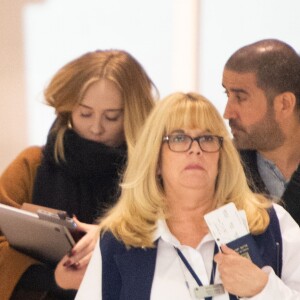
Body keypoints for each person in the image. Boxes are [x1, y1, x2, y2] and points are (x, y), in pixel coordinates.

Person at [71, 92, 300, 299]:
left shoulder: (272, 226)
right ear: (156, 160)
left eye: (207, 138)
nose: (195, 149)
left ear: (221, 157)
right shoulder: (119, 241)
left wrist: (263, 289)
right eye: (179, 138)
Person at [0, 49, 156, 300]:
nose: (96, 127)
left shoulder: (154, 174)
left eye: (111, 117)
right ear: (68, 108)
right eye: (85, 113)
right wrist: (54, 279)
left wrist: (114, 237)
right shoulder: (32, 164)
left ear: (134, 115)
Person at [222, 39, 300, 226]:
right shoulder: (222, 170)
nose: (227, 113)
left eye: (240, 98)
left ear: (284, 104)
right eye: (227, 95)